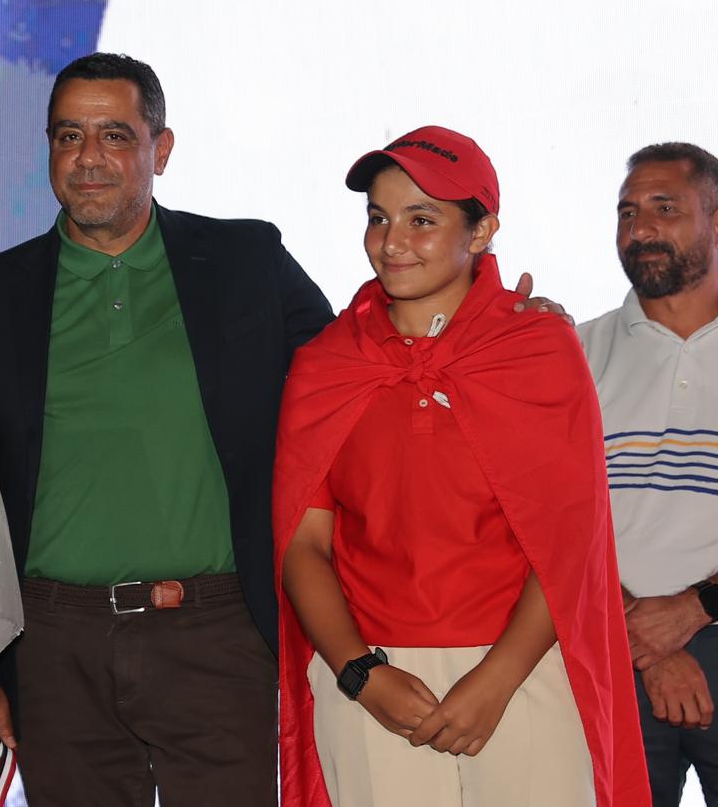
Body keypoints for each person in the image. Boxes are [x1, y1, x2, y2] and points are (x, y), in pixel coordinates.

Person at [0, 52, 336, 804]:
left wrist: (493, 315)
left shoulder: (245, 261)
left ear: (161, 149)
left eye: (115, 136)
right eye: (68, 136)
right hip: (53, 647)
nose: (88, 157)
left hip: (217, 634)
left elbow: (359, 366)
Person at [273, 126, 650, 806]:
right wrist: (360, 675)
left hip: (525, 672)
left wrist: (496, 681)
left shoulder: (535, 350)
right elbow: (303, 545)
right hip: (372, 680)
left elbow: (571, 544)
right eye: (379, 218)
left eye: (422, 220)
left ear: (481, 232)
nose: (391, 242)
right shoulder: (328, 365)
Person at [579, 142, 718, 805]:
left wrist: (694, 609)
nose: (640, 230)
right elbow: (538, 518)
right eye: (627, 213)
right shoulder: (571, 353)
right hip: (608, 651)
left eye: (666, 208)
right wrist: (642, 634)